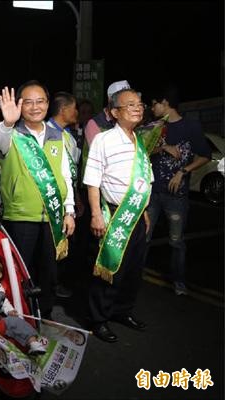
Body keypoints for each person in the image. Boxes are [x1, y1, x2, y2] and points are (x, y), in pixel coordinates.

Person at [0, 83, 76, 319]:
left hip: (53, 216)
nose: (34, 107)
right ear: (19, 105)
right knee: (20, 269)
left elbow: (65, 176)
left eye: (40, 101)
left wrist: (69, 210)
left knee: (49, 271)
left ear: (48, 104)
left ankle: (45, 313)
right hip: (20, 216)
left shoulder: (57, 136)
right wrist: (8, 122)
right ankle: (21, 313)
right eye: (27, 102)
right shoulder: (11, 134)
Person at [83, 88, 152, 343]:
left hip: (136, 216)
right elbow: (93, 181)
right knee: (108, 269)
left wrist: (143, 211)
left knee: (133, 269)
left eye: (140, 104)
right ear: (114, 112)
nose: (138, 108)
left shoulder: (140, 141)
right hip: (113, 214)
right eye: (130, 105)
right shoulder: (104, 139)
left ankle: (122, 311)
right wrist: (95, 215)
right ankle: (98, 319)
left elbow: (144, 181)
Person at [146, 86, 210, 296]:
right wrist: (164, 147)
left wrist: (182, 171)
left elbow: (204, 155)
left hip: (177, 195)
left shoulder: (190, 126)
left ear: (165, 103)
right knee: (144, 235)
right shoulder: (154, 126)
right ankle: (133, 273)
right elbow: (144, 151)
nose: (151, 107)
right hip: (153, 191)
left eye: (154, 103)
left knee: (176, 241)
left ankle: (179, 281)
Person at [47, 91, 82, 299]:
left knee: (65, 243)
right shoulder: (46, 133)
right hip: (50, 198)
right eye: (74, 107)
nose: (76, 112)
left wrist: (75, 198)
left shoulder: (67, 134)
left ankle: (56, 282)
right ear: (64, 110)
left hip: (67, 200)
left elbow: (72, 171)